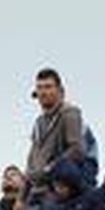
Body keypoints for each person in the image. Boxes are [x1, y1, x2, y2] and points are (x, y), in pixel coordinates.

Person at [25, 67, 91, 197]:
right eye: (40, 88)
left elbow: (77, 150)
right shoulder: (39, 123)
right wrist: (22, 196)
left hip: (58, 191)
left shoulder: (69, 114)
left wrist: (50, 168)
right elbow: (32, 159)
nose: (43, 92)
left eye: (48, 87)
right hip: (37, 191)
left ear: (60, 91)